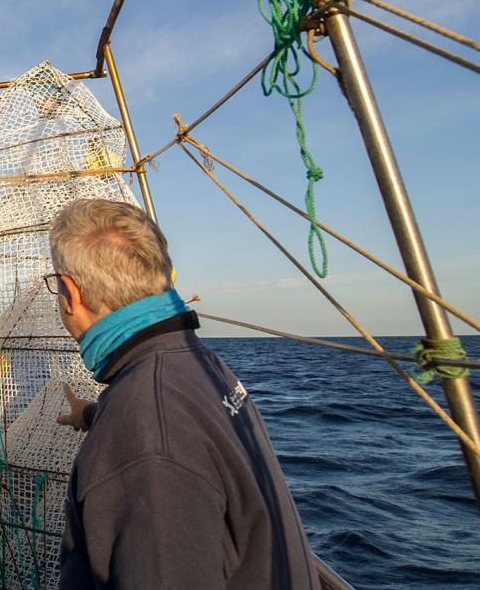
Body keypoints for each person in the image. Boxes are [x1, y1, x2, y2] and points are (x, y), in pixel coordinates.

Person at [47, 198, 318, 589]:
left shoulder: (144, 426)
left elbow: (154, 446)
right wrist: (95, 417)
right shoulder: (194, 364)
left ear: (70, 292)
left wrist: (123, 429)